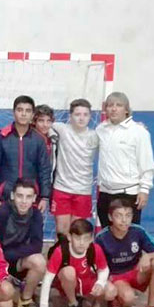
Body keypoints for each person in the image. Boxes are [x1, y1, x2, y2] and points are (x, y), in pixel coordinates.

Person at [95, 198, 154, 307]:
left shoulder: (138, 231)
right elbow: (95, 266)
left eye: (128, 215)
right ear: (110, 217)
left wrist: (148, 256)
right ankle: (116, 297)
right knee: (128, 299)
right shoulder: (102, 238)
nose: (124, 220)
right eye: (119, 216)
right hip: (116, 276)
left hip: (136, 272)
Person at [35, 219, 116, 307]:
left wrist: (100, 283)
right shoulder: (60, 251)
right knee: (69, 272)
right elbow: (47, 279)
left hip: (86, 282)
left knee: (111, 291)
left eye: (86, 239)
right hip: (66, 283)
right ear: (69, 237)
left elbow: (104, 269)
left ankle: (93, 302)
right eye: (77, 238)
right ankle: (73, 304)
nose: (81, 243)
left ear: (91, 239)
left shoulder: (95, 249)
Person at [96, 92, 154, 227]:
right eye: (110, 105)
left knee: (128, 236)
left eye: (119, 105)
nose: (114, 109)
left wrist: (144, 190)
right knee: (107, 235)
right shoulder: (101, 129)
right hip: (105, 193)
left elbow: (147, 164)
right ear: (105, 109)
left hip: (128, 194)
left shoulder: (139, 132)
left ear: (126, 110)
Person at [0, 95, 52, 213]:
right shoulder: (2, 137)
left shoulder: (39, 140)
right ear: (13, 112)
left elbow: (44, 169)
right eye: (20, 110)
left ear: (32, 115)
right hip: (5, 196)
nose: (23, 114)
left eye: (28, 111)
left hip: (30, 197)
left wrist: (44, 196)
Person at [0, 179, 45, 307]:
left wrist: (8, 255)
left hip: (15, 260)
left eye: (28, 197)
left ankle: (25, 299)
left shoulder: (36, 215)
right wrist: (0, 261)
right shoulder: (1, 213)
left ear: (34, 198)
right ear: (12, 195)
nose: (24, 201)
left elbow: (37, 246)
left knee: (39, 261)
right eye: (20, 196)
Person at [51, 99, 99, 235]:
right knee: (62, 231)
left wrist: (136, 126)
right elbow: (41, 122)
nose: (81, 118)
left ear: (90, 117)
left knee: (78, 231)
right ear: (70, 116)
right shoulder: (61, 129)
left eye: (85, 114)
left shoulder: (95, 136)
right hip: (62, 188)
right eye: (77, 114)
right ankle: (60, 250)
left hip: (83, 191)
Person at [32, 104, 58, 174]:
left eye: (48, 121)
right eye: (41, 121)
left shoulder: (53, 138)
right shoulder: (29, 139)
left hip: (47, 177)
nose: (45, 125)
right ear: (34, 121)